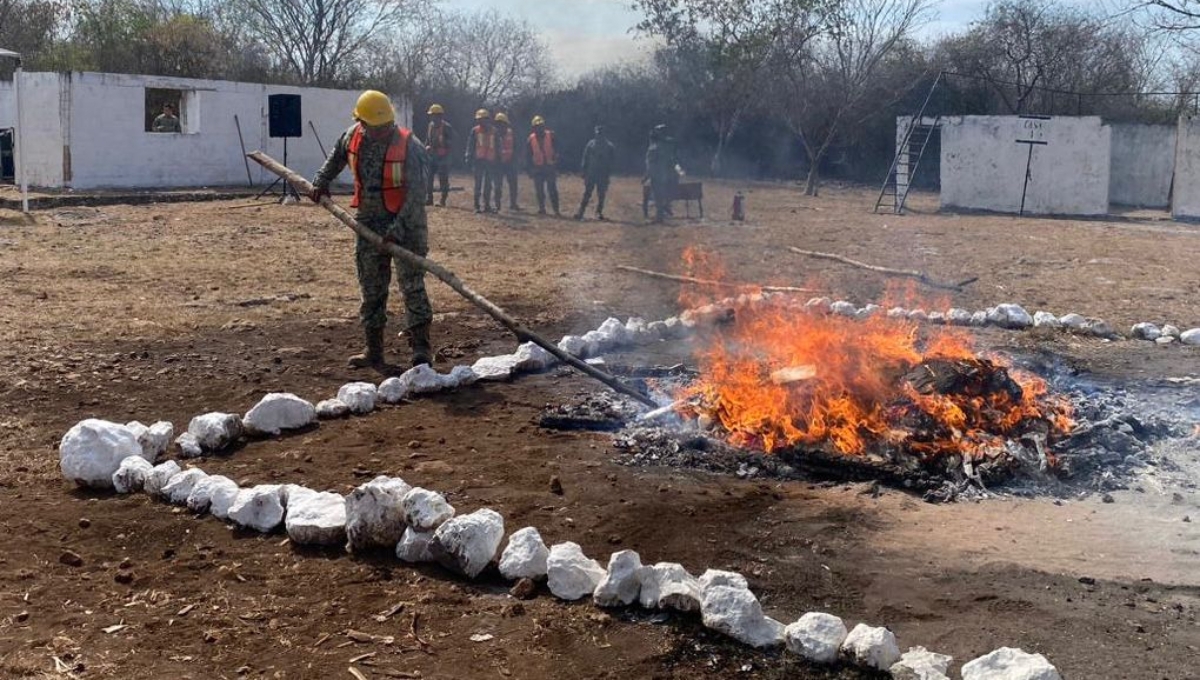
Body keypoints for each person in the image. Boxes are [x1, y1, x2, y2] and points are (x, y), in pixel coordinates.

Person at [308, 90, 434, 369]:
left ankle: (422, 349)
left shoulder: (410, 145)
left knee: (412, 286)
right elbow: (336, 158)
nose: (381, 132)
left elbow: (416, 195)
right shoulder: (352, 135)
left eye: (385, 126)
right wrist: (321, 180)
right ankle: (374, 350)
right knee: (372, 289)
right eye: (375, 128)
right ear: (362, 123)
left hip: (407, 226)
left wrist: (397, 229)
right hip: (368, 222)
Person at [575, 125, 615, 221]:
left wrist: (608, 174)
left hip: (603, 174)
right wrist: (583, 171)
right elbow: (585, 157)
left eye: (600, 134)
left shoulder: (609, 146)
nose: (599, 136)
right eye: (597, 134)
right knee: (587, 193)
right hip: (591, 173)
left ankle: (599, 212)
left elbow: (612, 161)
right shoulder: (591, 144)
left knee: (601, 195)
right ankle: (581, 212)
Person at [464, 109, 497, 213]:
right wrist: (468, 157)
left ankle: (487, 205)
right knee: (478, 184)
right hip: (478, 160)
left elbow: (498, 145)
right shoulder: (475, 130)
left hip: (490, 161)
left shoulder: (494, 131)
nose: (480, 122)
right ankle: (476, 206)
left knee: (488, 185)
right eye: (479, 120)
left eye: (482, 120)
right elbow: (470, 145)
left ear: (487, 120)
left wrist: (499, 158)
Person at [526, 115, 560, 216]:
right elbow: (528, 156)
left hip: (549, 167)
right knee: (539, 191)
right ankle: (542, 209)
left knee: (552, 190)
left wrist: (556, 160)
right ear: (533, 128)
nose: (539, 128)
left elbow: (558, 149)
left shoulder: (551, 135)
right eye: (537, 126)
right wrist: (530, 170)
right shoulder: (530, 139)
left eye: (541, 126)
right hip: (537, 168)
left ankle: (556, 210)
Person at [645, 124, 679, 223]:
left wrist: (647, 174)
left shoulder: (655, 146)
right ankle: (664, 208)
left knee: (658, 195)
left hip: (658, 174)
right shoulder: (670, 144)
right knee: (664, 194)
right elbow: (674, 159)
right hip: (668, 174)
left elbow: (651, 162)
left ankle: (659, 216)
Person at [425, 104, 454, 207]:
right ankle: (429, 199)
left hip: (443, 157)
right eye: (431, 115)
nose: (433, 118)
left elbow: (452, 143)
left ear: (440, 116)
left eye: (435, 115)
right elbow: (427, 140)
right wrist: (426, 148)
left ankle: (443, 200)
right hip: (432, 156)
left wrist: (439, 145)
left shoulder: (447, 127)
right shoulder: (430, 126)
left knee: (443, 178)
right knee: (428, 178)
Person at [491, 112, 521, 211]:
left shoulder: (511, 133)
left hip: (510, 162)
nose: (500, 125)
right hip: (497, 163)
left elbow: (516, 147)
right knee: (497, 185)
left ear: (506, 124)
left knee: (513, 184)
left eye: (502, 123)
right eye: (498, 123)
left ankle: (513, 204)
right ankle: (497, 205)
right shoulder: (492, 134)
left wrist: (515, 160)